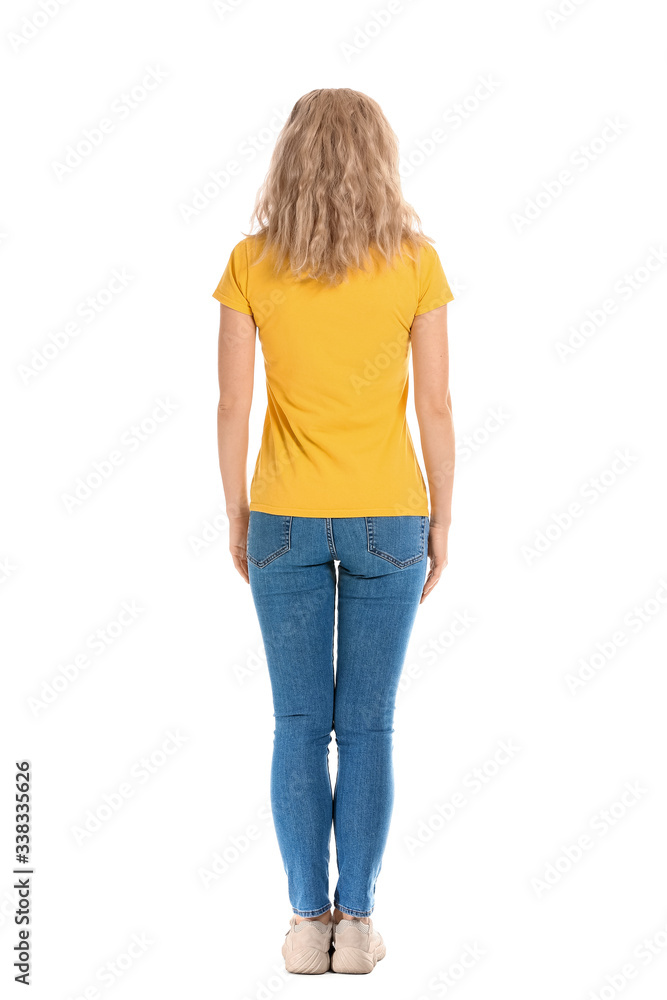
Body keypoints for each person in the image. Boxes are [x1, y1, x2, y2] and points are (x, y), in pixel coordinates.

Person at [213, 88, 455, 975]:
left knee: (295, 724)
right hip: (391, 515)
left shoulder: (251, 264)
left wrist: (236, 511)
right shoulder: (414, 264)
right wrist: (443, 518)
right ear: (379, 161)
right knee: (368, 727)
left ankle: (301, 925)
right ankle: (355, 926)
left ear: (290, 157)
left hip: (282, 517)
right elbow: (434, 404)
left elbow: (232, 403)